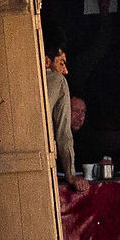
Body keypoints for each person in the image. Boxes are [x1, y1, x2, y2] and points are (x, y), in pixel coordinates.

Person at [45, 46, 77, 180]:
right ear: (47, 61)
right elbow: (63, 132)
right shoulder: (58, 80)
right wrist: (71, 174)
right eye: (61, 63)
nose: (66, 71)